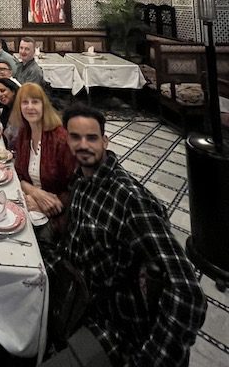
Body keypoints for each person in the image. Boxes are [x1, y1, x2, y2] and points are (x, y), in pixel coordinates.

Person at [42, 104, 207, 367]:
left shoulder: (130, 200)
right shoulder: (82, 181)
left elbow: (187, 295)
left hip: (113, 328)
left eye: (92, 137)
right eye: (75, 137)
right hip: (75, 296)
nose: (83, 145)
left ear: (105, 140)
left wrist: (150, 360)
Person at [11, 83, 75, 242]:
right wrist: (33, 192)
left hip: (56, 214)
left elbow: (74, 187)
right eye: (25, 102)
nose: (30, 107)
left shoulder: (60, 139)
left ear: (44, 105)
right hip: (29, 200)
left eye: (35, 102)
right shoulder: (25, 133)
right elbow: (18, 173)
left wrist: (44, 204)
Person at [0, 77, 20, 150]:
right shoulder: (8, 107)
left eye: (3, 91)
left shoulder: (19, 109)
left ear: (13, 91)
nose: (0, 95)